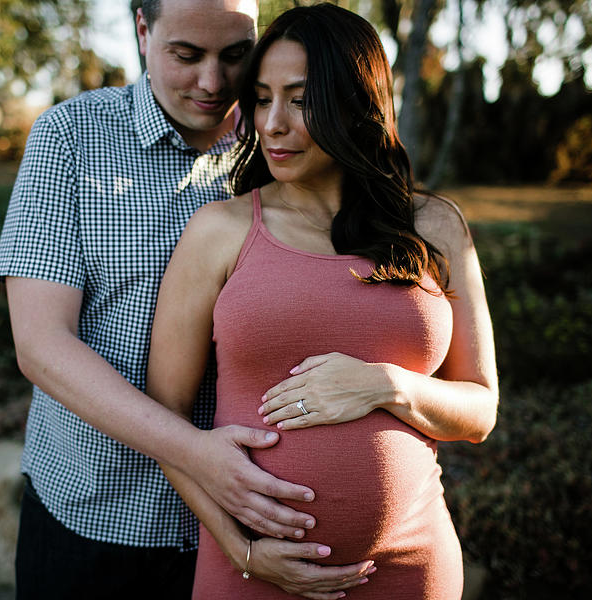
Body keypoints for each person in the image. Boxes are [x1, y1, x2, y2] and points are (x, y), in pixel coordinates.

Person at [0, 0, 378, 597]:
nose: (213, 82)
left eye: (233, 56)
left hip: (257, 530)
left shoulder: (284, 143)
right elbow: (41, 345)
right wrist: (197, 454)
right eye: (186, 55)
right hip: (99, 513)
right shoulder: (72, 136)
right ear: (144, 31)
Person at [146, 4, 499, 599]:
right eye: (261, 99)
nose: (273, 124)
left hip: (411, 567)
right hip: (253, 573)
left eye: (301, 99)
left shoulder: (434, 227)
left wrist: (387, 384)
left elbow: (480, 410)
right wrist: (242, 549)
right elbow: (167, 416)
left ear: (357, 103)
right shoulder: (219, 231)